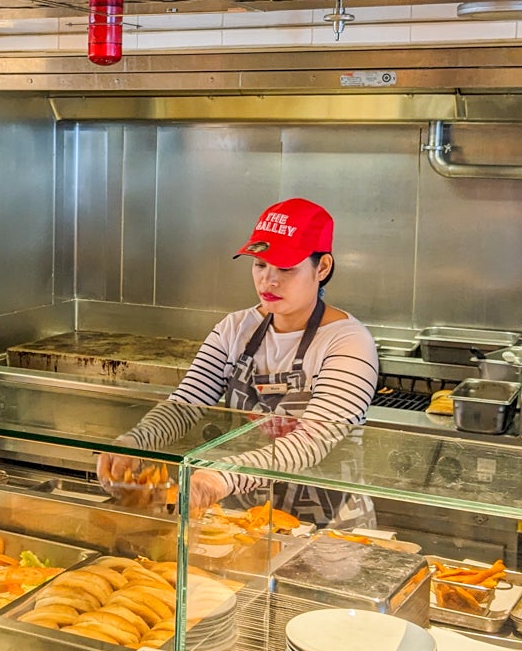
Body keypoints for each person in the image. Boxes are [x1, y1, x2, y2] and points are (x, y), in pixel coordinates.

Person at [98, 197, 379, 525]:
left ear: (323, 267)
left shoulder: (349, 343)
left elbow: (311, 442)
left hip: (329, 533)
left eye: (285, 268)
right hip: (246, 523)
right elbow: (186, 404)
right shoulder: (234, 329)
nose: (268, 281)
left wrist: (222, 479)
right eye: (260, 265)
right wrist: (136, 442)